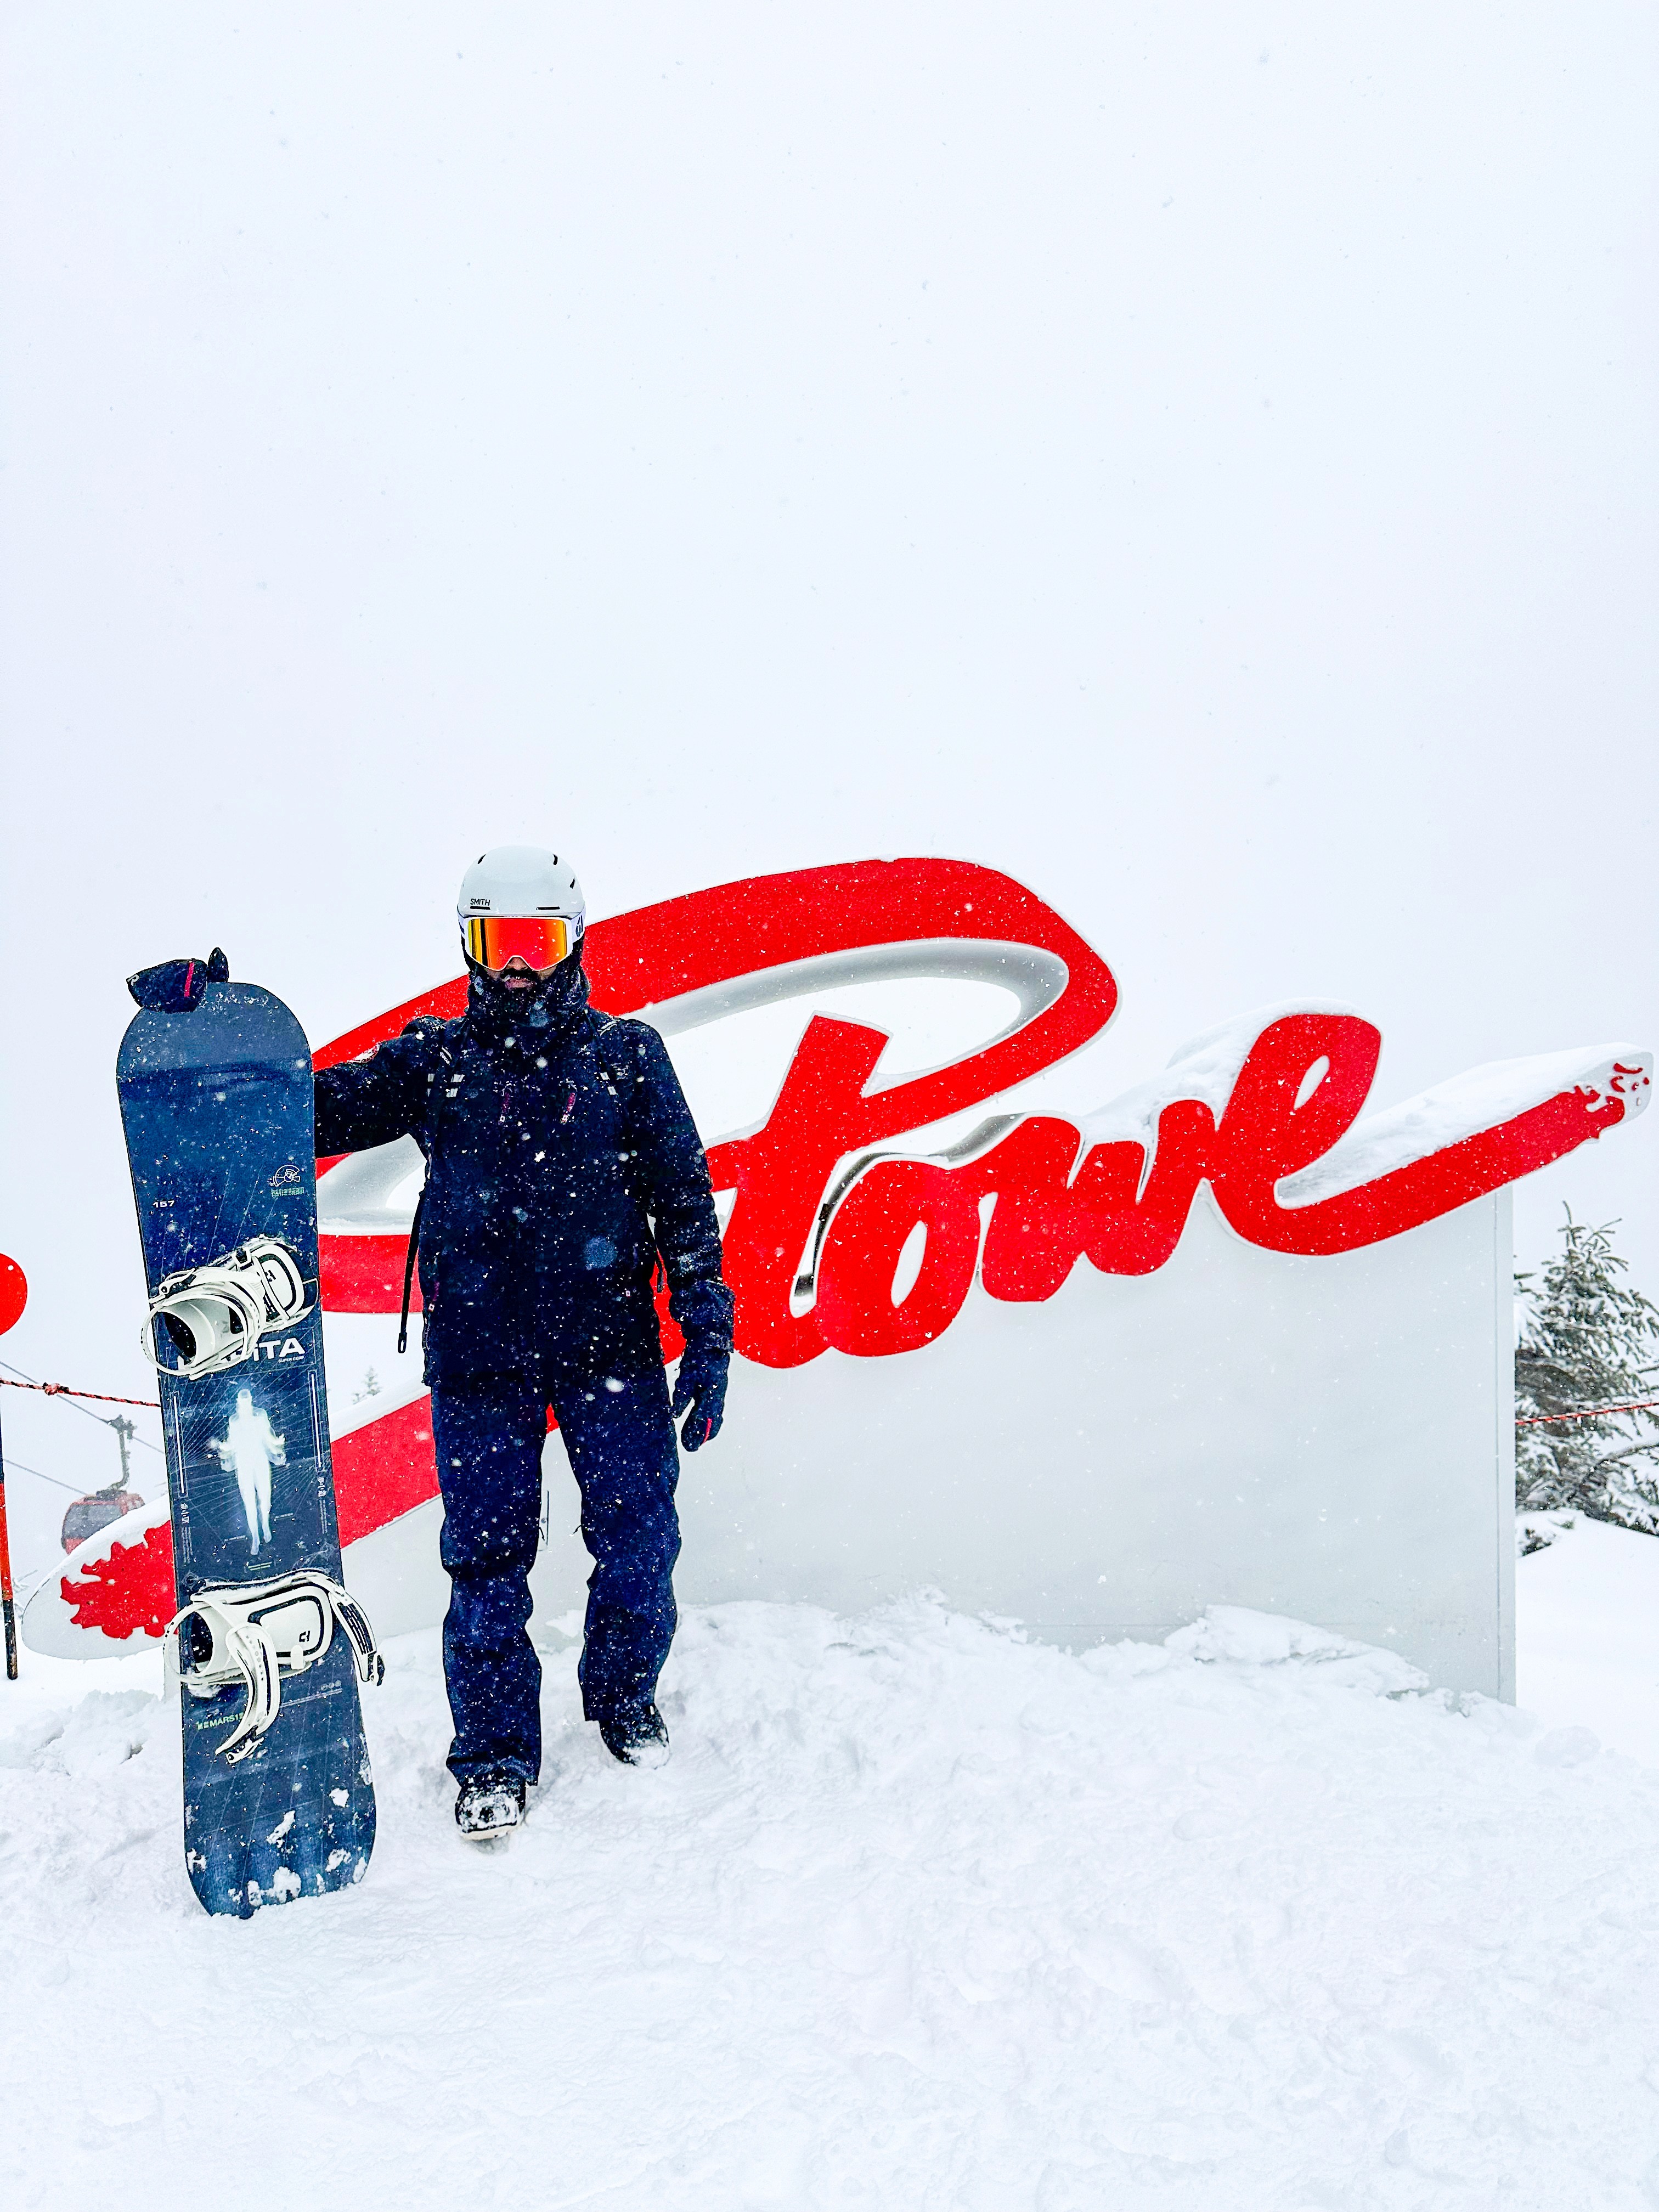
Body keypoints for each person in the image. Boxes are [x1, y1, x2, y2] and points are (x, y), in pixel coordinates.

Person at [312, 847, 733, 1837]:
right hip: (479, 1359)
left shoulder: (626, 1057)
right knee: (486, 1564)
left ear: (571, 941)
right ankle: (495, 1757)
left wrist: (707, 1335)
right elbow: (312, 1107)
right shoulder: (433, 1061)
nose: (518, 968)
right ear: (470, 943)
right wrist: (211, 1040)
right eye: (500, 943)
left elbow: (681, 1199)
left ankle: (622, 1694)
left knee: (639, 1539)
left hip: (611, 1350)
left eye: (537, 943)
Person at [209, 1386, 285, 1555]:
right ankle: (256, 1537)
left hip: (259, 1460)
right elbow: (232, 1444)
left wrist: (277, 1444)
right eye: (241, 1402)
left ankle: (265, 1525)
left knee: (265, 1497)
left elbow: (268, 1437)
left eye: (247, 1400)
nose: (244, 1404)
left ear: (250, 1401)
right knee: (249, 1502)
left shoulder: (260, 1416)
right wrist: (221, 1447)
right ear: (238, 1403)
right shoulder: (234, 1421)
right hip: (244, 1463)